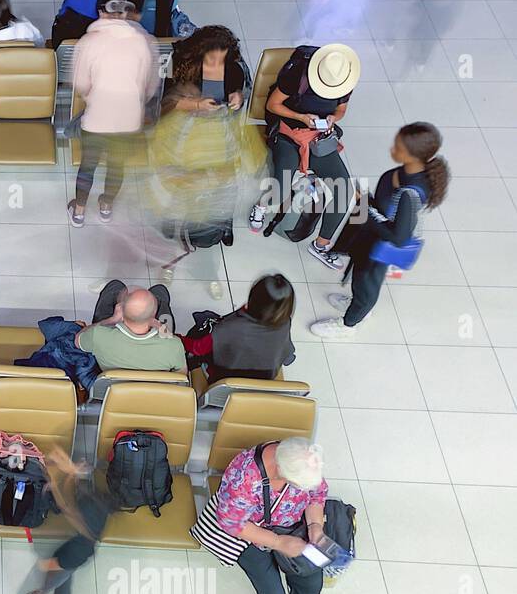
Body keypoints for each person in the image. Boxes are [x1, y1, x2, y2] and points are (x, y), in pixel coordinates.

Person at [212, 438, 334, 594]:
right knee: (273, 593)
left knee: (311, 581)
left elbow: (317, 495)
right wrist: (279, 542)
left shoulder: (303, 460)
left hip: (292, 525)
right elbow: (232, 523)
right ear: (279, 470)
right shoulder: (244, 476)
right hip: (252, 536)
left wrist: (315, 526)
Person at [311, 122, 450, 339]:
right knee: (359, 277)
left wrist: (366, 208)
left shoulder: (410, 194)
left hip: (379, 247)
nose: (392, 150)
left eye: (398, 148)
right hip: (370, 236)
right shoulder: (404, 172)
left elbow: (399, 237)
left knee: (367, 283)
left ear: (413, 155)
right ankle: (358, 304)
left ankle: (350, 323)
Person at [0, 448, 110, 594]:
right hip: (62, 552)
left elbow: (59, 562)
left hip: (62, 557)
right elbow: (67, 502)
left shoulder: (79, 541)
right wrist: (68, 474)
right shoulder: (85, 507)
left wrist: (41, 567)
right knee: (62, 579)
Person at [250, 43, 360, 267]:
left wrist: (331, 120)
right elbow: (273, 105)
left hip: (317, 137)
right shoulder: (297, 73)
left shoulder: (344, 79)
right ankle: (261, 207)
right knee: (280, 187)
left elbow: (341, 110)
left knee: (344, 190)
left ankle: (320, 245)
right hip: (288, 132)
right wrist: (301, 118)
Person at [67, 0, 159, 227]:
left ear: (101, 12)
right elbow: (149, 84)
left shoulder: (89, 41)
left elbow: (79, 82)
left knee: (88, 165)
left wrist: (94, 98)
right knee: (117, 165)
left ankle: (79, 211)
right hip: (128, 119)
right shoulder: (143, 42)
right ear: (126, 14)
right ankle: (106, 206)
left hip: (97, 117)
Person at [182, 273, 296, 382]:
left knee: (199, 334)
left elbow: (197, 348)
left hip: (226, 379)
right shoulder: (285, 323)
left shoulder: (230, 328)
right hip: (264, 378)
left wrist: (176, 338)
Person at [75, 279, 185, 372]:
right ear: (155, 315)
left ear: (121, 311)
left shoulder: (98, 335)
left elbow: (78, 340)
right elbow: (180, 376)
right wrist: (160, 327)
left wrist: (111, 320)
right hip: (152, 391)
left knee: (115, 286)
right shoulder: (174, 345)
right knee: (160, 291)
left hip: (114, 388)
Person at [163, 25, 245, 113]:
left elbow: (238, 93)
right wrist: (197, 105)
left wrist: (238, 98)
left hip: (217, 123)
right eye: (212, 58)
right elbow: (165, 103)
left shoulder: (234, 70)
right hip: (182, 122)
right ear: (199, 55)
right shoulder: (180, 67)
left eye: (222, 59)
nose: (216, 64)